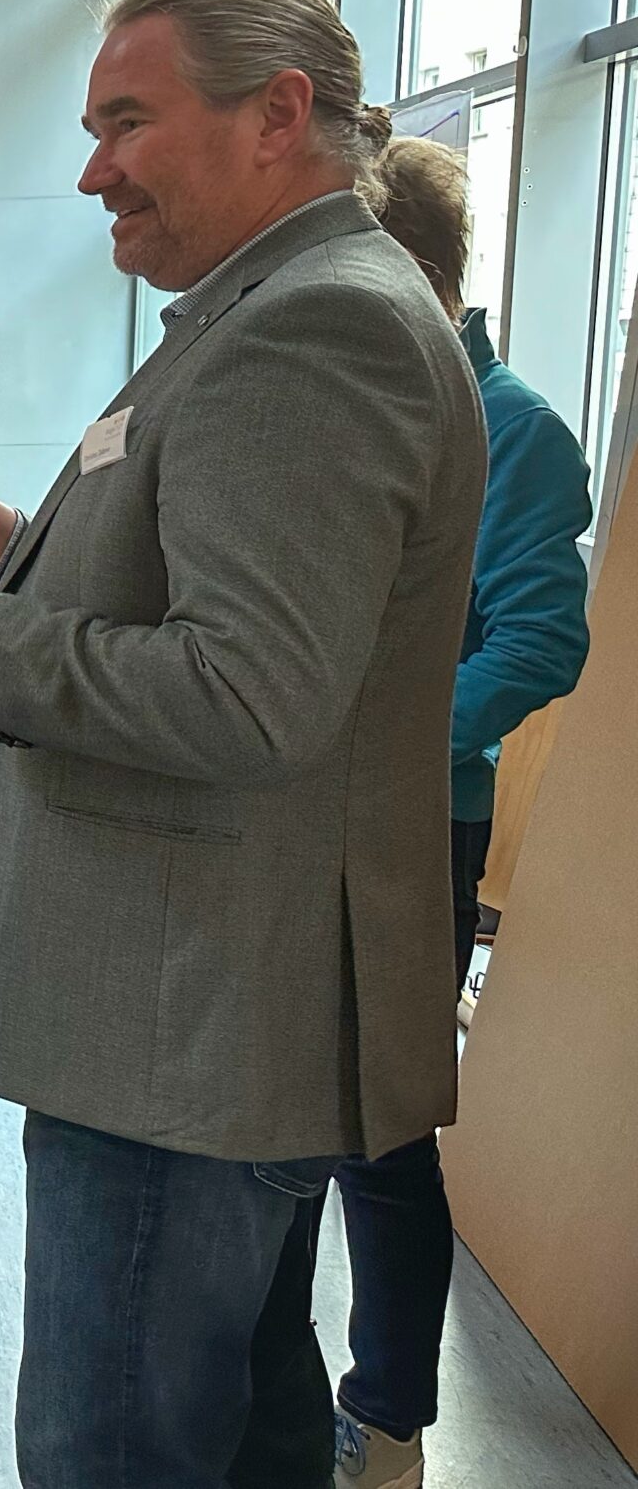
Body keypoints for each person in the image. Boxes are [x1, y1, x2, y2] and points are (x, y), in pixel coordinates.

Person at [0, 0, 486, 1487]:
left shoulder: (312, 328)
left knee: (115, 1443)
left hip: (189, 1024)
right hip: (205, 1008)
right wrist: (8, 542)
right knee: (241, 1429)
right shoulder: (269, 306)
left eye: (129, 121)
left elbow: (248, 694)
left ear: (280, 115)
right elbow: (214, 590)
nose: (92, 167)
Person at [324, 138, 591, 1489]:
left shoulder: (518, 426)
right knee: (278, 1118)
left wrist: (379, 745)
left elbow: (542, 643)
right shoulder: (356, 401)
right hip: (299, 811)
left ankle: (389, 1418)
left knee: (378, 1135)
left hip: (418, 822)